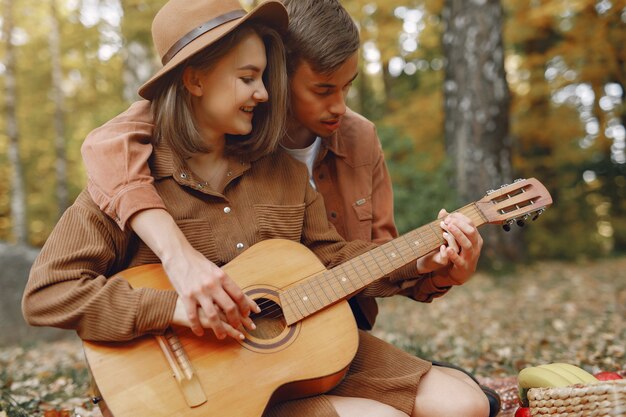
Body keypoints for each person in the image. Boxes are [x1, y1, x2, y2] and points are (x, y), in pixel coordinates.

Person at [79, 0, 500, 415]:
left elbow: (355, 254)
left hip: (325, 330)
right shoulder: (167, 143)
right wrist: (176, 267)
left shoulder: (349, 141)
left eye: (348, 86)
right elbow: (106, 144)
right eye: (322, 89)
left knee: (468, 403)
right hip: (216, 357)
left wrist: (430, 265)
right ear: (280, 72)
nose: (339, 105)